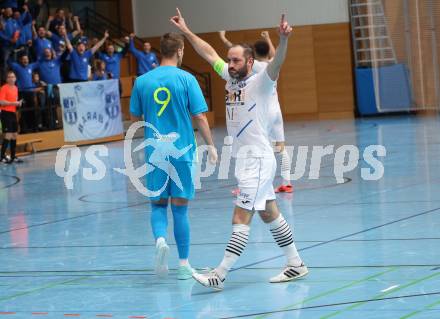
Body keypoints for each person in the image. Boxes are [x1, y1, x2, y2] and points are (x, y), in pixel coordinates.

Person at [171, 9, 307, 291]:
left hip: (258, 160)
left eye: (235, 60)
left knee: (240, 217)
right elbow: (209, 53)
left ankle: (219, 274)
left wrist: (283, 40)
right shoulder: (231, 81)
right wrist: (186, 30)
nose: (229, 64)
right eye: (229, 60)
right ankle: (295, 263)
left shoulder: (262, 82)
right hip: (246, 160)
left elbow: (277, 63)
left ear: (249, 62)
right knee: (269, 212)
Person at [130, 32, 217, 280]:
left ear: (160, 52)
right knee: (180, 208)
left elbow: (135, 119)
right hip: (182, 151)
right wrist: (211, 145)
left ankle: (160, 241)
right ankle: (183, 264)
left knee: (157, 204)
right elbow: (199, 116)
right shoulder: (187, 79)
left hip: (155, 152)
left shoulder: (142, 82)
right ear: (179, 51)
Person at [219, 30, 292, 193]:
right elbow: (277, 54)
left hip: (263, 112)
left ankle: (249, 183)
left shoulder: (256, 66)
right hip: (276, 111)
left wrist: (224, 38)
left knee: (255, 146)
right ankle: (287, 182)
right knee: (281, 147)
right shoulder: (271, 64)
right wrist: (273, 39)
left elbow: (235, 50)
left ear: (252, 57)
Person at [0, 70, 23, 164]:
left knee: (14, 135)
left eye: (13, 76)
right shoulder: (4, 88)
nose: (11, 78)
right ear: (6, 79)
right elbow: (1, 102)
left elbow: (15, 102)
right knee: (8, 134)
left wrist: (18, 104)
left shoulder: (16, 88)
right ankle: (1, 157)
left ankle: (13, 157)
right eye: (9, 77)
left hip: (13, 113)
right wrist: (15, 103)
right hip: (5, 113)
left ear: (15, 78)